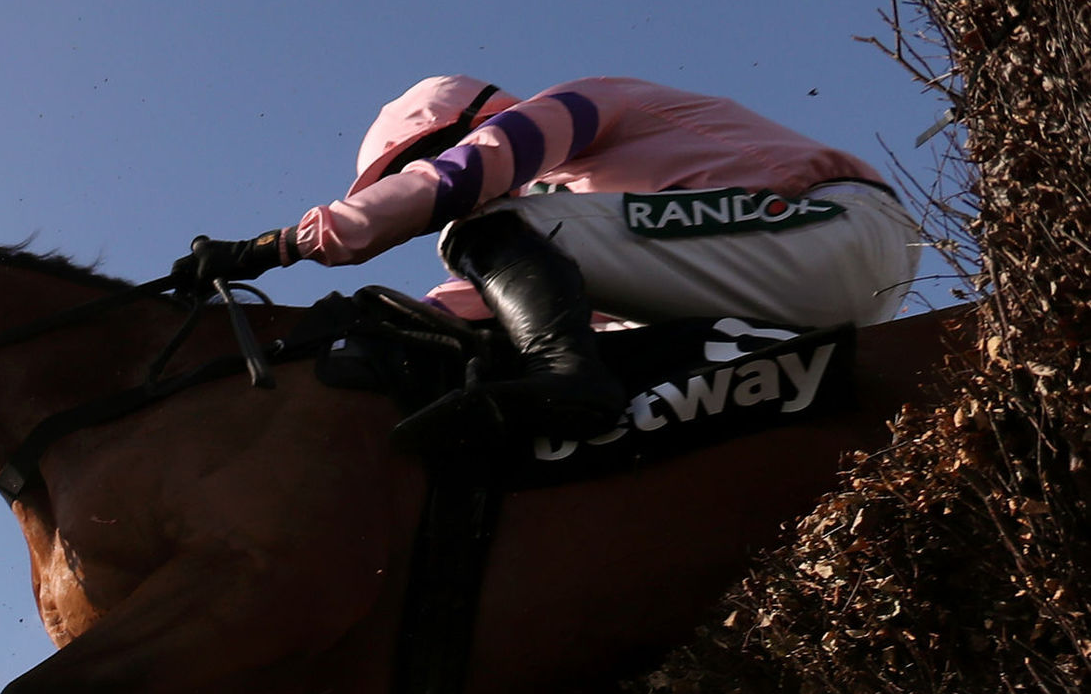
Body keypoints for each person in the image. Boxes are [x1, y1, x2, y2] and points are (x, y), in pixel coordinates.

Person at [172, 75, 920, 441]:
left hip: (828, 226)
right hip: (829, 281)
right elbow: (474, 306)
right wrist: (327, 344)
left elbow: (467, 175)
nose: (432, 180)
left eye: (418, 165)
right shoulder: (580, 222)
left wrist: (279, 247)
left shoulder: (577, 105)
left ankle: (567, 382)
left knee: (489, 231)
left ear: (469, 122)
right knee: (557, 311)